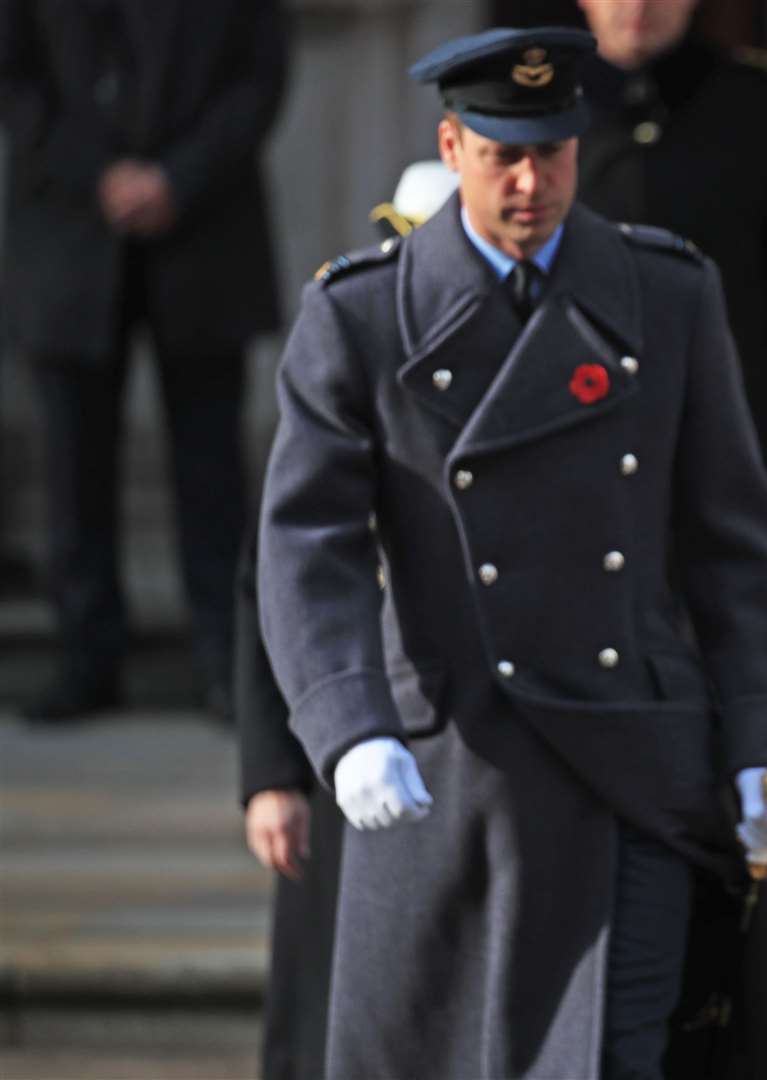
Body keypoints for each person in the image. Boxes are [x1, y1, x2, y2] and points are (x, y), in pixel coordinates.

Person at [257, 27, 767, 1080]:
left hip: (627, 766)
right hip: (443, 763)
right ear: (451, 146)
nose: (530, 180)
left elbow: (731, 549)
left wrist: (758, 743)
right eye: (503, 153)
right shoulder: (362, 315)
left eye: (550, 152)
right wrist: (346, 722)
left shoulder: (667, 293)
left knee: (607, 1055)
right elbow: (304, 542)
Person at [236, 160, 461, 1080]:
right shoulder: (341, 375)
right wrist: (271, 775)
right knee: (331, 998)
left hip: (472, 743)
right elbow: (273, 586)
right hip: (352, 740)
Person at [0, 0, 286, 720]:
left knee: (211, 467)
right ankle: (85, 655)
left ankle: (227, 662)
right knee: (72, 465)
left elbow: (260, 77)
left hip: (203, 230)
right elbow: (15, 78)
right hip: (67, 233)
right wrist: (97, 175)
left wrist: (176, 178)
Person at [573, 0, 767, 526]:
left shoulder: (755, 103)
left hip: (740, 451)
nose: (640, 5)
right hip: (582, 449)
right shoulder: (549, 112)